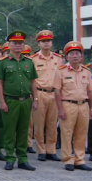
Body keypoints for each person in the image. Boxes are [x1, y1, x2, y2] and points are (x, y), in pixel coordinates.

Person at [0, 31, 39, 171]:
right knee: (9, 131)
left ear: (24, 45)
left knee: (23, 130)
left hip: (26, 101)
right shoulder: (3, 62)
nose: (18, 46)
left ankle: (23, 159)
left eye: (20, 43)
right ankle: (9, 158)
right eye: (15, 43)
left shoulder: (29, 62)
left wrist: (35, 99)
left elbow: (33, 82)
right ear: (9, 45)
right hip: (10, 101)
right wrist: (2, 101)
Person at [53, 41, 92, 171]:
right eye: (72, 54)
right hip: (68, 104)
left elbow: (90, 91)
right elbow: (57, 91)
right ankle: (68, 160)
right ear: (67, 57)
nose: (75, 56)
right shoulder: (60, 71)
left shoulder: (87, 72)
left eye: (77, 53)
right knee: (66, 133)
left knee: (82, 133)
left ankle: (79, 159)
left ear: (82, 56)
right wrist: (60, 109)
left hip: (83, 105)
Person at [29, 30, 63, 161]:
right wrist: (35, 98)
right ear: (39, 43)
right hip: (39, 93)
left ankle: (51, 150)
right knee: (39, 124)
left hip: (54, 94)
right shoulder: (33, 59)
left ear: (52, 42)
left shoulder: (58, 59)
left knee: (52, 124)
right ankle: (41, 150)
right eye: (43, 41)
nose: (46, 43)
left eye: (48, 41)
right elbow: (31, 80)